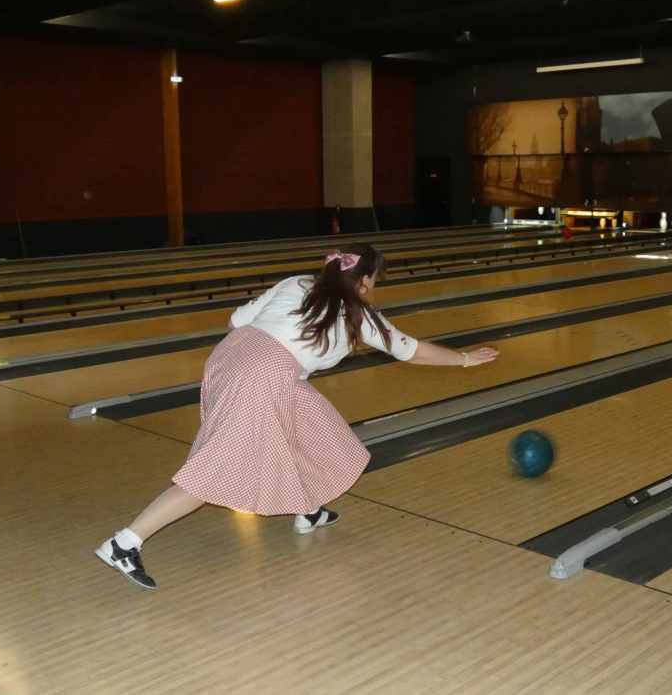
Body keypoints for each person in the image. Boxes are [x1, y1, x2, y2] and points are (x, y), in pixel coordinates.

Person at [96, 244, 500, 590]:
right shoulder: (360, 317)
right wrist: (464, 359)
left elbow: (235, 322)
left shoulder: (296, 284)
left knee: (316, 427)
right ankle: (125, 543)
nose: (374, 287)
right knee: (217, 470)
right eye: (375, 279)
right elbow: (412, 350)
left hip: (232, 357)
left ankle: (308, 506)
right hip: (263, 374)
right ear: (363, 281)